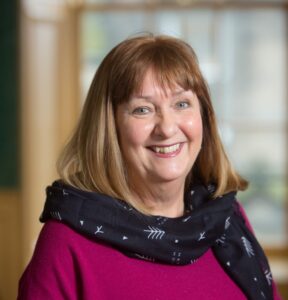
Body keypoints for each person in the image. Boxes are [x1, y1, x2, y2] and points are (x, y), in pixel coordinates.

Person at [18, 34, 281, 300]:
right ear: (110, 128)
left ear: (204, 117)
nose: (167, 128)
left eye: (181, 104)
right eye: (142, 110)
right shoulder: (66, 243)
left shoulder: (227, 219)